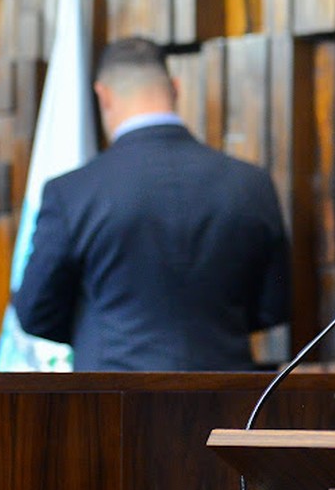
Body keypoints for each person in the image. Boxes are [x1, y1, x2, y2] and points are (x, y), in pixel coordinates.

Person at [14, 37, 291, 371]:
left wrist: (100, 327)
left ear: (103, 95)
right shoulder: (251, 184)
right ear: (175, 88)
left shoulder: (72, 192)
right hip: (227, 401)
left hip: (113, 403)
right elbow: (274, 306)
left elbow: (34, 311)